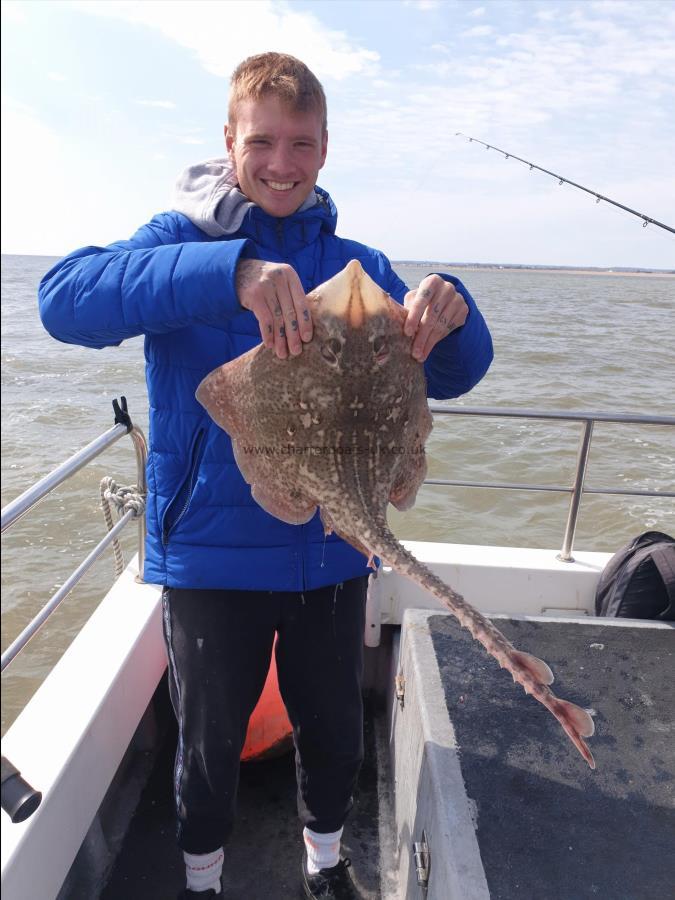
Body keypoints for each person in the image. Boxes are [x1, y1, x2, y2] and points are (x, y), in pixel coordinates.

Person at [39, 53, 493, 900]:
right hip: (211, 558)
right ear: (228, 142)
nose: (282, 163)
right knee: (205, 744)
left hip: (333, 547)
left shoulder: (359, 264)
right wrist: (231, 274)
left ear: (325, 149)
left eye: (302, 143)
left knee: (333, 734)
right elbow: (63, 299)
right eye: (264, 142)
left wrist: (452, 307)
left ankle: (323, 867)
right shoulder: (177, 243)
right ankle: (202, 882)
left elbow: (458, 372)